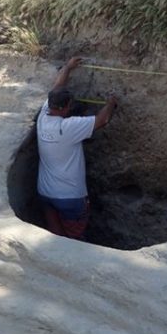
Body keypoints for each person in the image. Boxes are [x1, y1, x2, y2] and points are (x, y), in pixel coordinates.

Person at [36, 56, 118, 240]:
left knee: (56, 237)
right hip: (70, 198)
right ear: (66, 108)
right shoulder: (68, 127)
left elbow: (56, 88)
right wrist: (111, 103)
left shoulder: (43, 117)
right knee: (74, 240)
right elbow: (102, 120)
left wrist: (68, 68)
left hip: (45, 193)